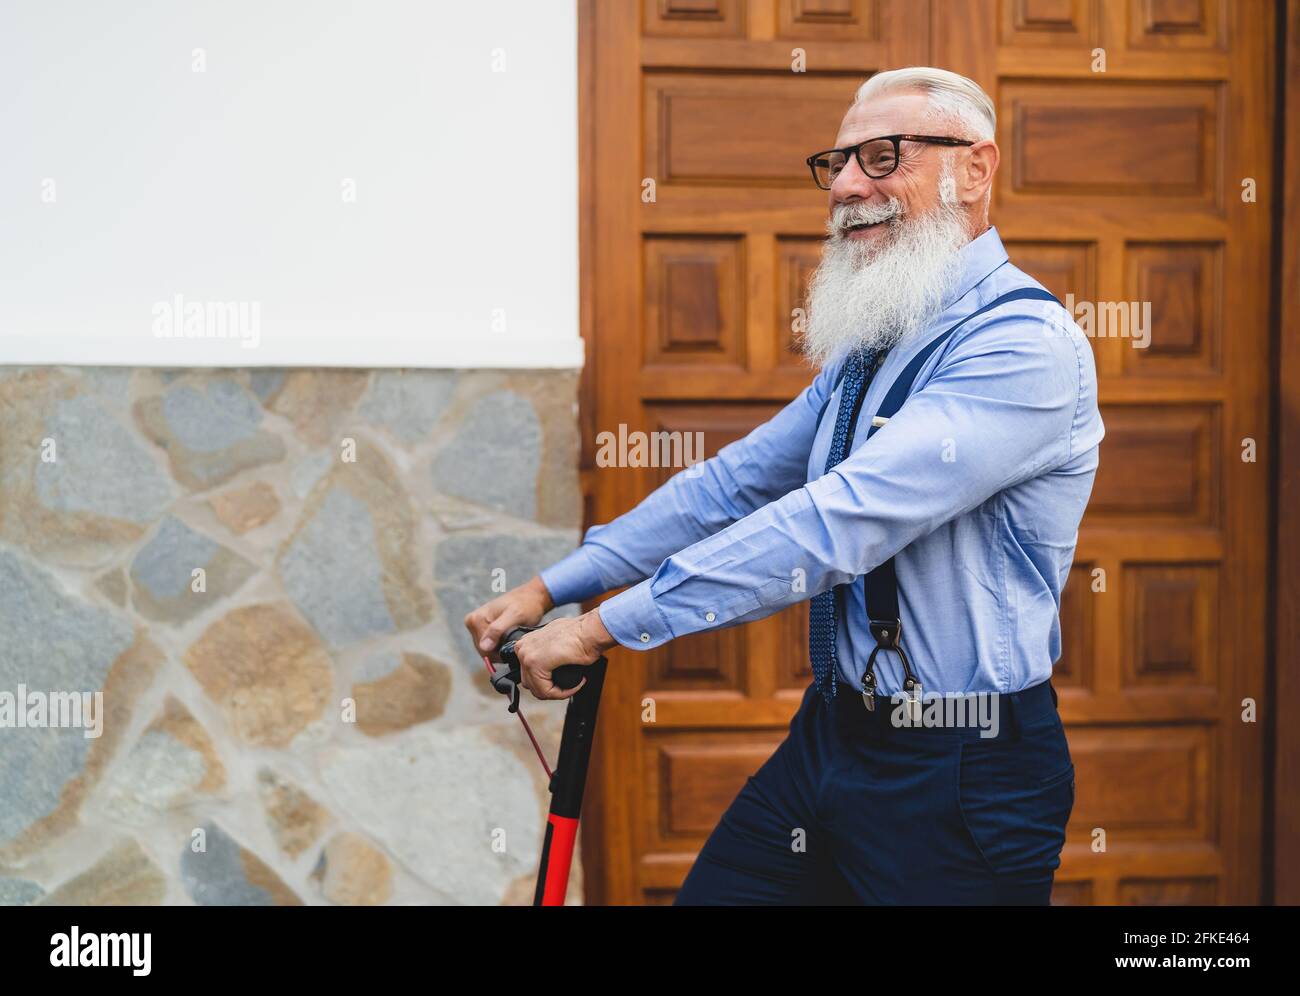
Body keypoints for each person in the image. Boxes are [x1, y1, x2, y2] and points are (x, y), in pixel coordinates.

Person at [464, 66, 1103, 905]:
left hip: (960, 768)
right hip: (833, 737)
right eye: (835, 164)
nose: (844, 186)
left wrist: (599, 631)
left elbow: (837, 525)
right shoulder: (875, 343)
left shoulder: (1024, 347)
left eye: (881, 158)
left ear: (974, 170)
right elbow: (733, 485)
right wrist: (558, 584)